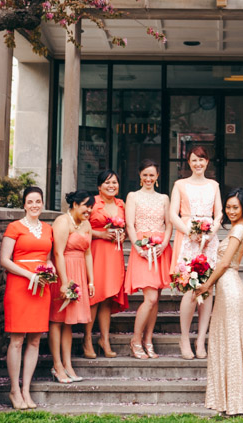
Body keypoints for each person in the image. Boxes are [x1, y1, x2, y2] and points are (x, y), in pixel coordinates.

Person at [195, 188, 243, 415]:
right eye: (228, 207)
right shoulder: (235, 229)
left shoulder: (238, 230)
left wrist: (206, 285)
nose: (231, 211)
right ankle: (226, 395)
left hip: (230, 287)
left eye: (235, 207)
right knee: (226, 340)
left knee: (232, 343)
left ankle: (236, 399)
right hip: (225, 288)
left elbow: (225, 263)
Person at [0, 185, 54, 409]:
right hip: (20, 286)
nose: (34, 205)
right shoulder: (14, 227)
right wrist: (29, 274)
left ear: (42, 203)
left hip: (41, 288)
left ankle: (26, 390)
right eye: (30, 201)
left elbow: (47, 257)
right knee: (17, 339)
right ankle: (14, 390)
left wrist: (50, 271)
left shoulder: (48, 228)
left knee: (34, 340)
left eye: (38, 201)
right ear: (24, 204)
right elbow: (5, 260)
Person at [169, 146, 223, 359]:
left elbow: (219, 214)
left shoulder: (214, 185)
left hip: (209, 239)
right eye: (194, 160)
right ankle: (184, 337)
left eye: (202, 160)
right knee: (190, 288)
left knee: (207, 289)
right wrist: (189, 232)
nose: (198, 164)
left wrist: (210, 233)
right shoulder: (180, 185)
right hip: (188, 238)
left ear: (207, 162)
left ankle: (201, 339)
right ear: (188, 163)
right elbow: (173, 214)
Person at [125, 159, 172, 359]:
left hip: (161, 249)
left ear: (157, 176)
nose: (148, 178)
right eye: (145, 174)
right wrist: (138, 247)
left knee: (156, 299)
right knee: (150, 298)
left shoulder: (163, 198)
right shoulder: (133, 196)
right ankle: (136, 339)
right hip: (142, 250)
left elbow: (169, 224)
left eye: (152, 175)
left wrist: (164, 244)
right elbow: (129, 224)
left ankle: (148, 340)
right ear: (139, 175)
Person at [49, 190, 95, 383]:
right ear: (75, 204)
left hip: (79, 273)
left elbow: (88, 254)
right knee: (58, 320)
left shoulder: (86, 224)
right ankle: (57, 365)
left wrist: (90, 280)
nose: (89, 210)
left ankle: (68, 365)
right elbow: (58, 253)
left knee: (69, 322)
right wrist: (65, 281)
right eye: (86, 206)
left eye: (91, 207)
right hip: (64, 272)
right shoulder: (62, 222)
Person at [83, 170, 128, 359]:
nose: (112, 186)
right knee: (95, 296)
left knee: (108, 297)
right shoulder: (91, 203)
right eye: (107, 183)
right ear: (99, 186)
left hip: (114, 252)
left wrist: (123, 234)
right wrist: (100, 234)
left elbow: (125, 226)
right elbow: (79, 225)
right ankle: (86, 340)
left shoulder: (121, 204)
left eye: (115, 183)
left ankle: (104, 339)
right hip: (97, 251)